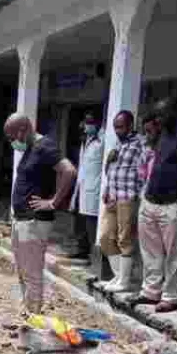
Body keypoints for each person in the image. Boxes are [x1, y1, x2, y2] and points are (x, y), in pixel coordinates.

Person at [134, 98, 177, 313]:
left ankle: (171, 296)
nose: (159, 119)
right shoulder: (164, 132)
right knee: (151, 250)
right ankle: (151, 291)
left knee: (174, 253)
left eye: (162, 115)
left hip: (173, 204)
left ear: (176, 111)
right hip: (151, 200)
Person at [4, 113, 77, 316]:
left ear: (22, 130)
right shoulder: (30, 149)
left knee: (32, 274)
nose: (12, 142)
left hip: (33, 221)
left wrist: (53, 202)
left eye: (12, 137)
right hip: (22, 219)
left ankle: (33, 318)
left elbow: (69, 171)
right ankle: (27, 314)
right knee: (22, 272)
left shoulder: (45, 146)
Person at [97, 110, 149, 293]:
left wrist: (140, 194)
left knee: (125, 239)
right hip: (112, 197)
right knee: (105, 237)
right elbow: (112, 169)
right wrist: (106, 188)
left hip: (128, 196)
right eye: (115, 127)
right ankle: (119, 276)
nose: (117, 130)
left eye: (120, 127)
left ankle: (124, 282)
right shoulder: (117, 144)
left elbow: (145, 170)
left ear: (130, 125)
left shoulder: (140, 143)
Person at [65, 112, 104, 268]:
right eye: (86, 122)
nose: (87, 126)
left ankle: (94, 254)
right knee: (79, 219)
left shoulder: (103, 140)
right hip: (82, 185)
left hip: (94, 187)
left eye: (90, 122)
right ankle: (82, 250)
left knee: (91, 222)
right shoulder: (85, 141)